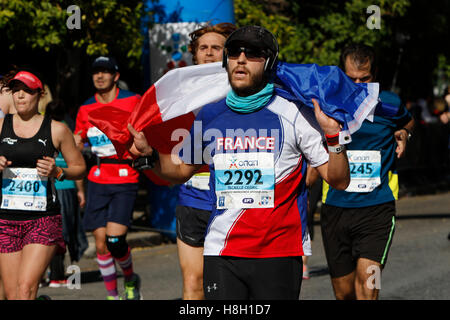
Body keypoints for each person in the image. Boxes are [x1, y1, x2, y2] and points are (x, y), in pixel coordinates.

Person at [128, 26, 350, 300]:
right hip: (221, 250)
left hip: (277, 252)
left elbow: (339, 180)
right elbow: (181, 169)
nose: (241, 58)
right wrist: (150, 156)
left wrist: (333, 136)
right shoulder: (210, 114)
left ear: (269, 62)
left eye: (253, 53)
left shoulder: (294, 113)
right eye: (234, 52)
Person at [319, 43, 414, 300]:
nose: (358, 84)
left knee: (368, 284)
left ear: (375, 76)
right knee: (344, 293)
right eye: (351, 79)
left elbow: (408, 120)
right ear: (341, 75)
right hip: (336, 207)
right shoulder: (327, 104)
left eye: (365, 79)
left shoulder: (389, 102)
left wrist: (404, 132)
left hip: (377, 209)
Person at [0, 70, 86, 300]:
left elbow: (79, 167)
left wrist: (58, 171)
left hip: (42, 219)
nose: (19, 96)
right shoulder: (0, 126)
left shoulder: (57, 129)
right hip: (6, 219)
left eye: (26, 91)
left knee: (25, 288)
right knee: (12, 295)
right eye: (15, 90)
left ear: (40, 94)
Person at [175, 22, 236, 300]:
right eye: (203, 48)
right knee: (194, 282)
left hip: (235, 198)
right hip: (193, 197)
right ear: (194, 54)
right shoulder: (178, 92)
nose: (209, 53)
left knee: (231, 282)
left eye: (216, 48)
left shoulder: (242, 88)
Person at [74, 56, 142, 300]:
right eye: (95, 72)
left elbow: (148, 129)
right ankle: (113, 295)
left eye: (105, 71)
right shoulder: (85, 108)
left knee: (115, 241)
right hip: (97, 178)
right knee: (101, 244)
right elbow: (78, 144)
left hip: (125, 176)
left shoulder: (133, 100)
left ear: (115, 76)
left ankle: (131, 279)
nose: (99, 76)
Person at [46, 100, 88, 287]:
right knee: (66, 233)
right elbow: (77, 166)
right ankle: (59, 276)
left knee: (51, 232)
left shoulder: (42, 130)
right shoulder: (65, 131)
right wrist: (81, 192)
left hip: (48, 189)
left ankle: (54, 275)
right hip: (66, 187)